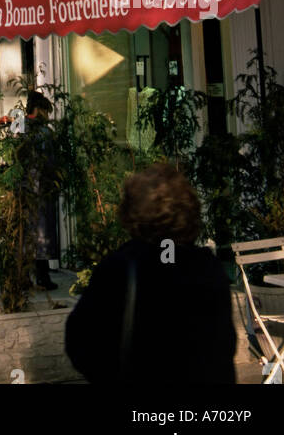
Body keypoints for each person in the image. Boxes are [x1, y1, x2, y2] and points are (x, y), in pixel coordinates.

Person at [65, 163, 236, 384]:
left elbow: (81, 344)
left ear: (131, 213)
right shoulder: (208, 267)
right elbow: (223, 347)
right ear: (190, 210)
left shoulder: (119, 268)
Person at [25, 90, 59, 291]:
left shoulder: (18, 126)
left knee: (26, 233)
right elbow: (50, 162)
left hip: (23, 187)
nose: (47, 116)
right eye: (46, 111)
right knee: (42, 232)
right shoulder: (44, 132)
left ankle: (25, 276)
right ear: (39, 110)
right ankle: (42, 276)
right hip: (41, 187)